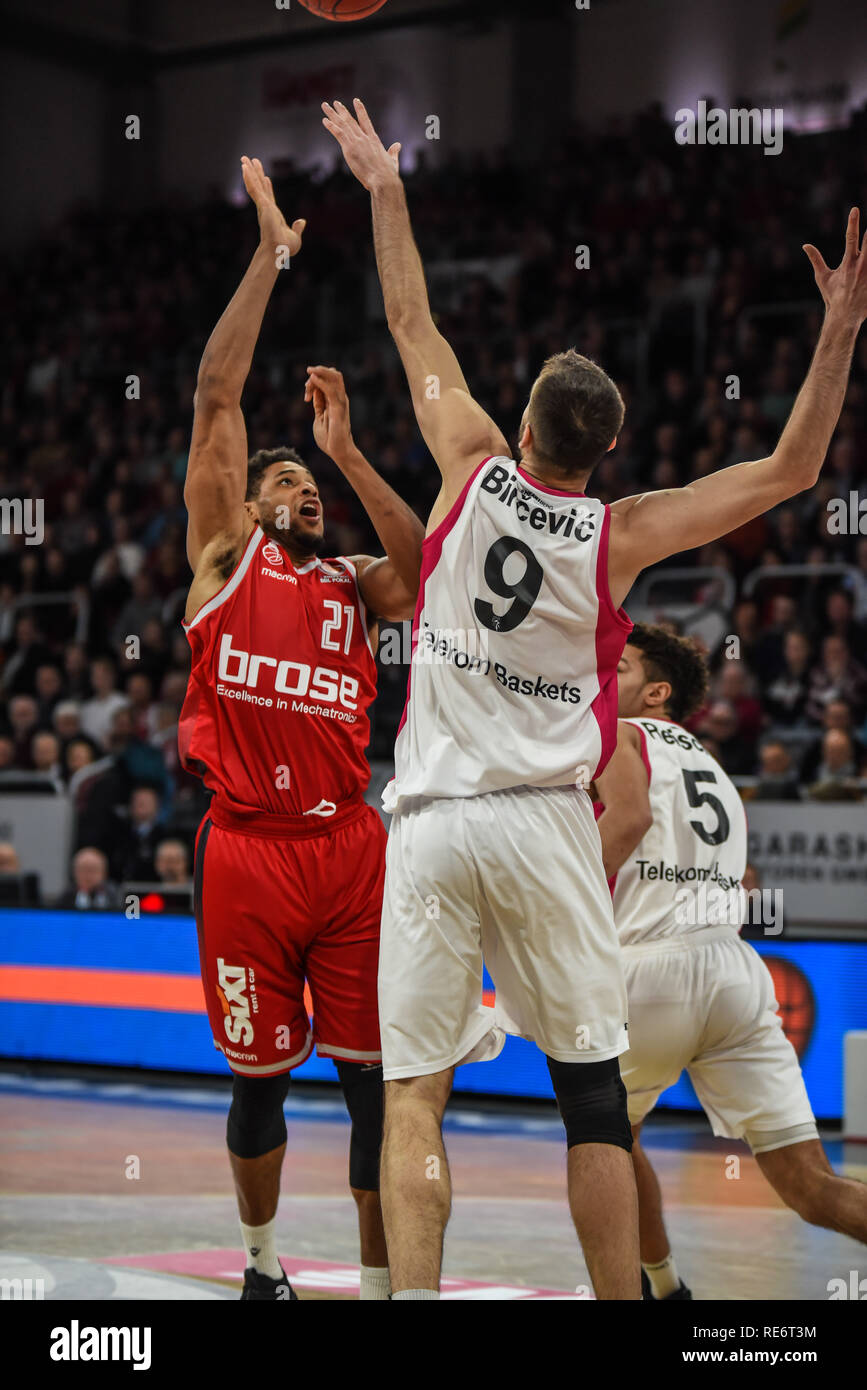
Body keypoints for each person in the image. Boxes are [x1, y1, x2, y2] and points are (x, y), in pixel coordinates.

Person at [323, 96, 867, 1300]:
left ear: (519, 425)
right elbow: (791, 470)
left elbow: (409, 314)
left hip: (430, 820)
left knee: (415, 1097)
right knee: (589, 1108)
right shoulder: (618, 537)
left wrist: (384, 185)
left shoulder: (468, 462)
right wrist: (838, 332)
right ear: (604, 452)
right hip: (545, 826)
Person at [180, 155, 424, 1301]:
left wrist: (349, 457)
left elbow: (425, 569)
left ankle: (380, 1284)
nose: (301, 490)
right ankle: (263, 1264)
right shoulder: (225, 558)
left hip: (350, 847)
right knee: (261, 1084)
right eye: (284, 478)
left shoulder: (354, 579)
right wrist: (273, 252)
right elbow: (218, 394)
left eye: (305, 482)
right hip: (247, 849)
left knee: (375, 1083)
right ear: (246, 502)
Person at [594, 625, 867, 1300]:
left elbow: (615, 833)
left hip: (647, 972)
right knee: (811, 1188)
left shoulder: (615, 738)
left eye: (619, 666)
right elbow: (743, 878)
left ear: (655, 692)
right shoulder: (715, 767)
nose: (603, 672)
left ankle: (659, 1289)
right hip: (732, 974)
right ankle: (664, 1288)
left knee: (602, 1148)